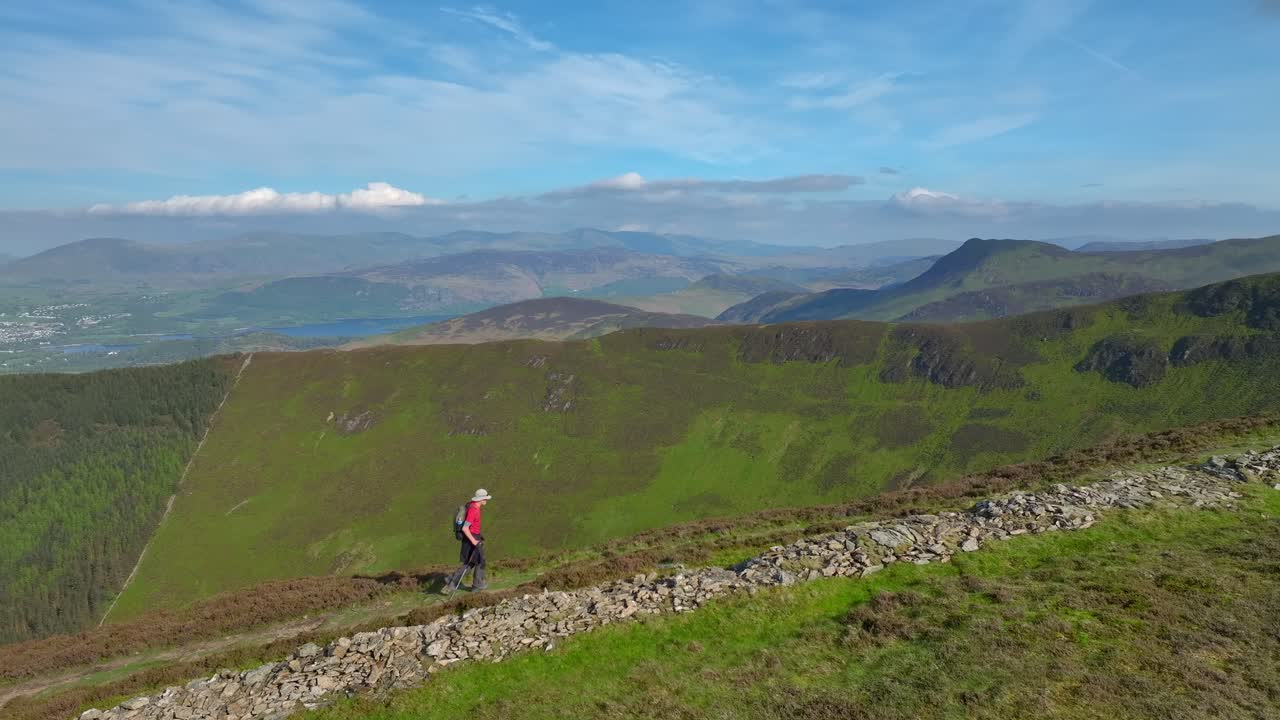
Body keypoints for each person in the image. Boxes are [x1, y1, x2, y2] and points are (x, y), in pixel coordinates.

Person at [447, 488, 491, 592]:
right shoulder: (474, 510)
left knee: (471, 562)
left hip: (473, 537)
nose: (486, 501)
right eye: (485, 499)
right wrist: (474, 541)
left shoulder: (472, 505)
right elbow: (465, 528)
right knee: (480, 561)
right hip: (472, 538)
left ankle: (452, 580)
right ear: (481, 499)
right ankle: (477, 585)